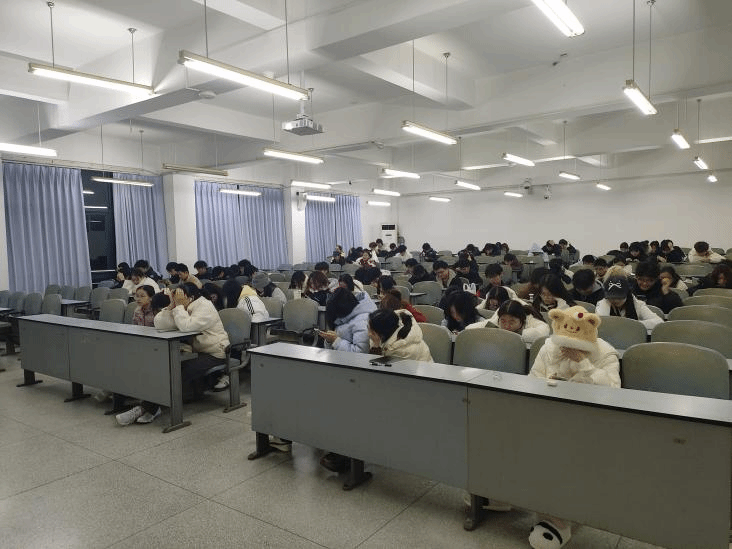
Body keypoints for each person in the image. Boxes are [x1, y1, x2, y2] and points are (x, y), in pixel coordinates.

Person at [527, 305, 620, 549]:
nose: (567, 350)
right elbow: (532, 380)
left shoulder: (606, 353)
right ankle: (504, 498)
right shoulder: (549, 347)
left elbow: (614, 393)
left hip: (588, 421)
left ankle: (558, 521)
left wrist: (584, 364)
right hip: (548, 414)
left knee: (564, 455)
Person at [117, 284, 231, 425]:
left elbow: (186, 326)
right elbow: (159, 324)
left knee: (177, 372)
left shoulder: (205, 306)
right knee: (165, 367)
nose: (177, 300)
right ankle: (151, 408)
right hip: (197, 352)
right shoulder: (182, 307)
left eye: (179, 297)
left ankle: (145, 409)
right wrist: (171, 307)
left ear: (190, 297)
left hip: (216, 352)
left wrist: (178, 307)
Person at [595, 272, 663, 330]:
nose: (616, 300)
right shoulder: (604, 303)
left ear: (627, 294)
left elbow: (659, 322)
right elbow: (600, 323)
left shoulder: (637, 304)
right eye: (612, 297)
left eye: (620, 297)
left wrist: (631, 324)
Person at [319, 287, 376, 354]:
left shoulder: (361, 321)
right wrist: (329, 340)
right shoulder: (345, 317)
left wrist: (336, 341)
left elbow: (361, 353)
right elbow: (332, 350)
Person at [468, 299, 549, 344]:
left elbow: (543, 331)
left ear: (521, 321)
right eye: (503, 321)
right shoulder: (497, 320)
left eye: (511, 322)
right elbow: (468, 329)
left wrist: (516, 335)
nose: (507, 326)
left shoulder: (529, 319)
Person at [368, 308, 432, 361]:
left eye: (373, 332)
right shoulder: (392, 330)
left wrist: (376, 347)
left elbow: (378, 368)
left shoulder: (401, 350)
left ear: (383, 333)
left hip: (420, 372)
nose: (369, 334)